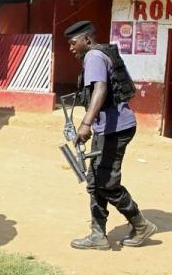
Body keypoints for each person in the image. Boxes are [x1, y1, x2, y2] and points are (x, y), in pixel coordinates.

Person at [65, 21, 157, 250]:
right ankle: (98, 235)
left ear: (86, 39)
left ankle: (140, 223)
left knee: (106, 182)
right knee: (96, 182)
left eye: (72, 43)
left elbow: (101, 89)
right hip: (108, 127)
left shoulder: (94, 56)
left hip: (115, 130)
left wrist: (85, 124)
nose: (71, 48)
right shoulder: (100, 54)